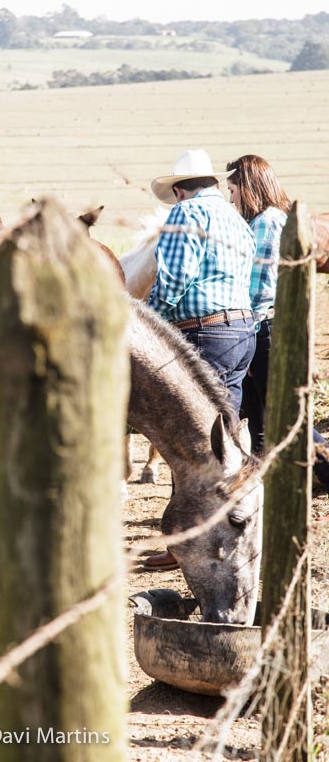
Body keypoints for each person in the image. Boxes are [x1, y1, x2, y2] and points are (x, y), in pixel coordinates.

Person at [143, 149, 257, 571]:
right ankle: (229, 528)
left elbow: (173, 278)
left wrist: (148, 322)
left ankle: (191, 541)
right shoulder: (235, 219)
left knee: (193, 442)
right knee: (228, 439)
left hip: (204, 333)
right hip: (240, 331)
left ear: (178, 189)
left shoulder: (184, 215)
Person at [226, 154, 329, 490]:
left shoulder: (267, 222)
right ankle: (264, 482)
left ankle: (325, 468)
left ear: (248, 186)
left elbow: (258, 291)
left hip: (264, 329)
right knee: (261, 414)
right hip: (264, 328)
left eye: (234, 189)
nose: (232, 198)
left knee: (284, 413)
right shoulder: (267, 220)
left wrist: (246, 341)